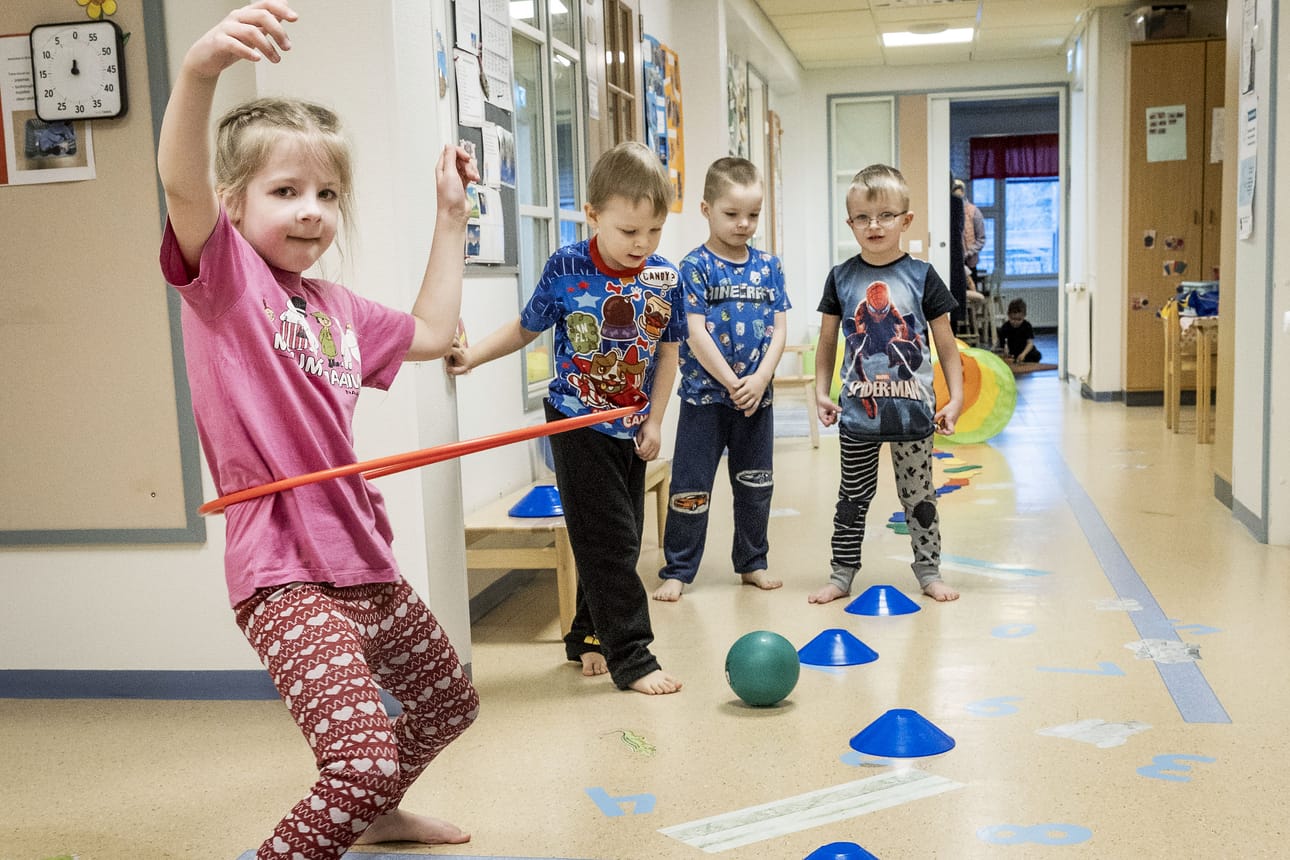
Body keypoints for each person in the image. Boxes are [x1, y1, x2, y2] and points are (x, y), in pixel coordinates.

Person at [156, 4, 481, 857]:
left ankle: (379, 815)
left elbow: (431, 334)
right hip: (283, 572)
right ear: (234, 203)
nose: (311, 212)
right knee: (359, 759)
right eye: (285, 191)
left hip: (361, 553)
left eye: (328, 194)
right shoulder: (224, 279)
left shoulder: (336, 309)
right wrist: (198, 74)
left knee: (450, 700)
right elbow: (182, 185)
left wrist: (451, 216)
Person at [448, 141, 684, 695]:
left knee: (612, 537)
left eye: (654, 231)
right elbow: (526, 328)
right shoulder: (566, 266)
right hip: (574, 422)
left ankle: (587, 635)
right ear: (593, 215)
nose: (642, 244)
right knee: (610, 542)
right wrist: (472, 356)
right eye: (629, 232)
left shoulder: (666, 278)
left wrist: (654, 421)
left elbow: (669, 353)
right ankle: (633, 656)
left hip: (630, 424)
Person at [809, 164, 964, 606]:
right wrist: (822, 391)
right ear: (850, 222)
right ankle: (841, 574)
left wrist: (957, 398)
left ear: (906, 220)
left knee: (920, 499)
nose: (874, 226)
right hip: (858, 414)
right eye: (863, 217)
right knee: (851, 499)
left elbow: (946, 345)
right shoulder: (841, 278)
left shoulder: (922, 276)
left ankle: (929, 571)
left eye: (886, 216)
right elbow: (827, 342)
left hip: (915, 414)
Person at [653, 157, 790, 603]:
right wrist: (734, 381)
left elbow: (779, 327)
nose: (744, 224)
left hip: (756, 402)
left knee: (755, 485)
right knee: (691, 487)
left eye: (753, 214)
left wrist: (761, 377)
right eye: (732, 214)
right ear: (705, 209)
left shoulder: (770, 266)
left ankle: (753, 562)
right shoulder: (693, 267)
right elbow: (693, 331)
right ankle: (679, 569)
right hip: (704, 400)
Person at [954, 178, 987, 284]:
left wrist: (968, 253)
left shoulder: (974, 212)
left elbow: (981, 239)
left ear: (963, 192)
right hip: (954, 262)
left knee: (971, 293)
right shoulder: (949, 211)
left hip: (969, 261)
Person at [998, 297, 1042, 363]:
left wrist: (1023, 354)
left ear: (1024, 316)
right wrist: (1004, 352)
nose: (1015, 322)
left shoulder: (1027, 326)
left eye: (1019, 319)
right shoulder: (1005, 327)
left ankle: (1022, 359)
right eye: (1013, 319)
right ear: (1008, 315)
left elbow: (1030, 343)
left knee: (1036, 355)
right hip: (1012, 350)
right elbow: (1001, 343)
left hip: (1024, 350)